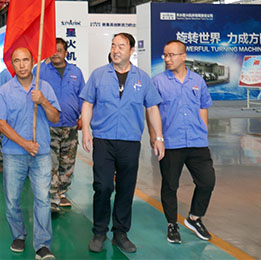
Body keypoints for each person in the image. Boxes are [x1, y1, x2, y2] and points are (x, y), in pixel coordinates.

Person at [80, 32, 165, 254]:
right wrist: (86, 130)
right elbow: (88, 103)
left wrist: (158, 137)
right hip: (104, 139)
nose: (115, 50)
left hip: (130, 141)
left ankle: (120, 233)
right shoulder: (99, 75)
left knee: (126, 188)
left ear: (131, 51)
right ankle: (99, 232)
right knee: (103, 186)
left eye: (121, 46)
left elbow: (152, 108)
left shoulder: (142, 78)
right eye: (113, 45)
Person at [0, 47, 60, 260]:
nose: (22, 65)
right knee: (12, 199)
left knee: (43, 199)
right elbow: (0, 123)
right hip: (14, 154)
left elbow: (55, 117)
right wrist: (24, 144)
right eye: (17, 61)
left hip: (41, 154)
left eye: (26, 60)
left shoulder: (44, 88)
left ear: (33, 62)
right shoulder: (5, 91)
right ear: (12, 64)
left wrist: (43, 101)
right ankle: (18, 235)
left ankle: (42, 245)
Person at [151, 40, 215, 244]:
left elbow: (203, 106)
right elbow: (151, 111)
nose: (167, 59)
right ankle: (172, 224)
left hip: (197, 141)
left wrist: (204, 129)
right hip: (171, 142)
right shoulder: (158, 81)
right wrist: (156, 137)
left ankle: (194, 218)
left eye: (171, 55)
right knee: (170, 185)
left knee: (207, 181)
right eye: (165, 55)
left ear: (183, 56)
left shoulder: (198, 80)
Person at [39, 38, 85, 213]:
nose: (56, 53)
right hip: (49, 125)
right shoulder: (41, 70)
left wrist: (82, 117)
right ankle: (52, 197)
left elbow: (82, 96)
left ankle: (62, 192)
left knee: (67, 162)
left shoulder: (76, 72)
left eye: (59, 50)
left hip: (70, 126)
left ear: (66, 53)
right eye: (53, 50)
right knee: (51, 162)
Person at [0, 67, 12, 172]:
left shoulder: (30, 75)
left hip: (22, 114)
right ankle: (0, 161)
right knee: (4, 137)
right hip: (7, 114)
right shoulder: (5, 74)